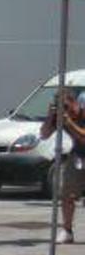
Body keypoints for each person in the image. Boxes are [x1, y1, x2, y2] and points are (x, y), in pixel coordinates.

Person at [41, 90, 85, 243]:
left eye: (66, 106)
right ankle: (67, 231)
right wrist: (50, 116)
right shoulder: (60, 116)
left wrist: (69, 123)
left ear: (74, 102)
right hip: (78, 155)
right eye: (60, 107)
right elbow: (44, 134)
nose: (65, 111)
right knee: (67, 194)